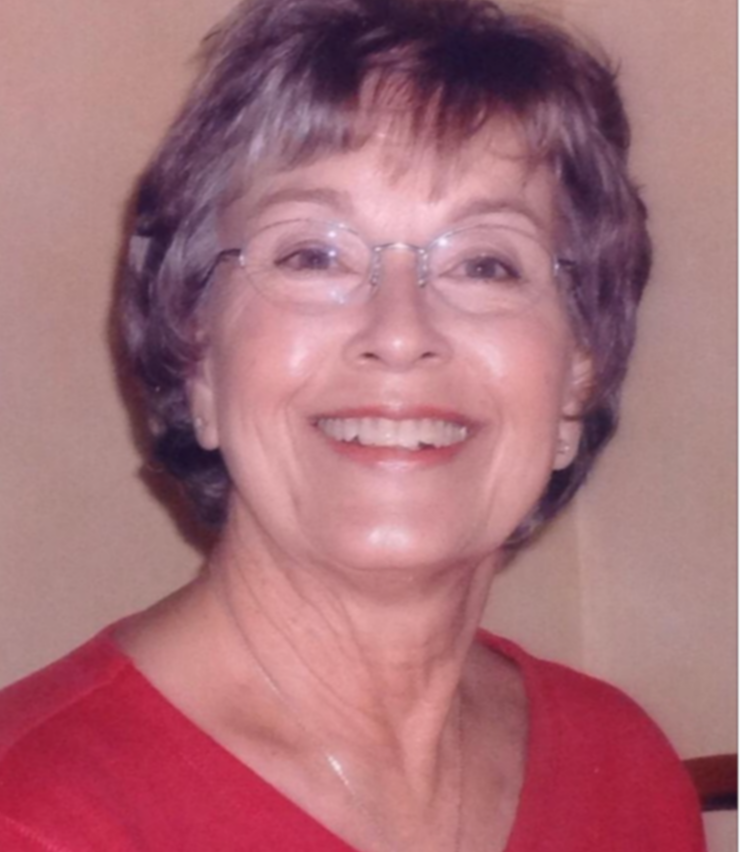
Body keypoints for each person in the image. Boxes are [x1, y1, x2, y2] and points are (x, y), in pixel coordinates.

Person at [0, 0, 706, 849]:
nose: (400, 332)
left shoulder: (624, 770)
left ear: (577, 375)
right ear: (197, 358)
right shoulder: (36, 814)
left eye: (485, 263)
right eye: (313, 254)